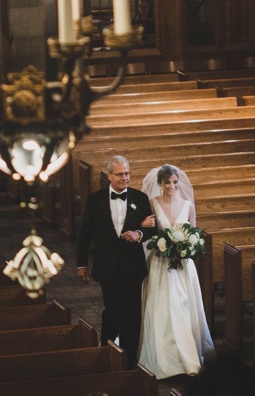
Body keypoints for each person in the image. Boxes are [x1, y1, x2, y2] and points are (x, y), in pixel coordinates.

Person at [137, 164, 215, 379]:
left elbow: (195, 234)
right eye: (167, 182)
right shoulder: (153, 204)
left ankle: (188, 355)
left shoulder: (188, 205)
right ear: (160, 184)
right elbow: (148, 233)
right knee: (162, 306)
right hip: (161, 263)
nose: (172, 186)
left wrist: (187, 248)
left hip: (182, 265)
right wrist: (152, 235)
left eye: (174, 182)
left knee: (183, 305)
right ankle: (163, 355)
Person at [76, 155, 154, 369]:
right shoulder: (95, 199)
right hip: (107, 265)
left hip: (133, 266)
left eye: (127, 173)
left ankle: (129, 361)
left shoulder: (140, 198)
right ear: (109, 176)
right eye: (119, 174)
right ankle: (107, 355)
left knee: (132, 314)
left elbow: (152, 228)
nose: (125, 178)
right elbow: (84, 233)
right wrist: (81, 263)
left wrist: (139, 233)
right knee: (112, 311)